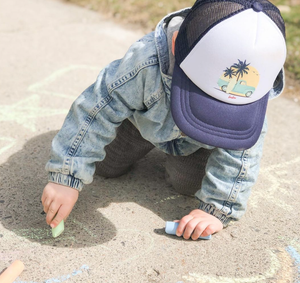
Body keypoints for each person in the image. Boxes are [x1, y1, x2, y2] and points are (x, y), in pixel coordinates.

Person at [41, 0, 287, 240]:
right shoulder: (145, 63)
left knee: (187, 186)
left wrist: (217, 209)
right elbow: (97, 107)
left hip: (196, 143)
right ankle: (135, 146)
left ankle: (184, 158)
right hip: (140, 124)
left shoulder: (254, 85)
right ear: (174, 44)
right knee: (106, 167)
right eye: (201, 93)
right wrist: (66, 177)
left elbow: (243, 146)